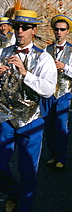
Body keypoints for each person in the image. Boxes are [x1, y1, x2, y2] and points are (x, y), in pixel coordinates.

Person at [0, 10, 57, 212]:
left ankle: (25, 206)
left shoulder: (44, 58)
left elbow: (48, 91)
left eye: (24, 28)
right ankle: (14, 192)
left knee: (28, 169)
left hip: (30, 118)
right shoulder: (0, 54)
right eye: (16, 27)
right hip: (3, 116)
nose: (19, 31)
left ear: (33, 30)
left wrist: (25, 73)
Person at [42, 15, 72, 172]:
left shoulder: (71, 50)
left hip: (63, 93)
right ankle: (53, 155)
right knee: (48, 126)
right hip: (48, 93)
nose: (59, 32)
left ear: (67, 31)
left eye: (62, 29)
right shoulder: (47, 50)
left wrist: (64, 67)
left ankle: (61, 157)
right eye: (57, 29)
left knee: (61, 126)